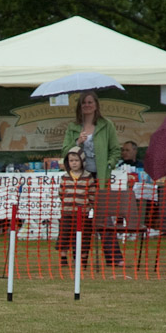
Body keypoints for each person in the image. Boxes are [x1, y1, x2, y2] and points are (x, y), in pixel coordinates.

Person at [61, 91, 124, 266]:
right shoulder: (73, 127)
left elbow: (115, 150)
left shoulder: (106, 125)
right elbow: (65, 151)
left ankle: (114, 257)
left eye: (90, 102)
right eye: (84, 103)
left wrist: (108, 164)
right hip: (80, 178)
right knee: (80, 218)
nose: (87, 105)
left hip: (99, 177)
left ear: (96, 105)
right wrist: (77, 142)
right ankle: (80, 258)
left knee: (104, 217)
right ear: (79, 106)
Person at [57, 146, 97, 267]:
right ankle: (63, 258)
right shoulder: (64, 177)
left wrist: (90, 207)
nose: (74, 163)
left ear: (82, 161)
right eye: (71, 161)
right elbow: (61, 193)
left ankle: (82, 260)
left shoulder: (88, 177)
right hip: (67, 212)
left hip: (83, 213)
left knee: (84, 236)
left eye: (76, 160)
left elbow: (92, 194)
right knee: (64, 235)